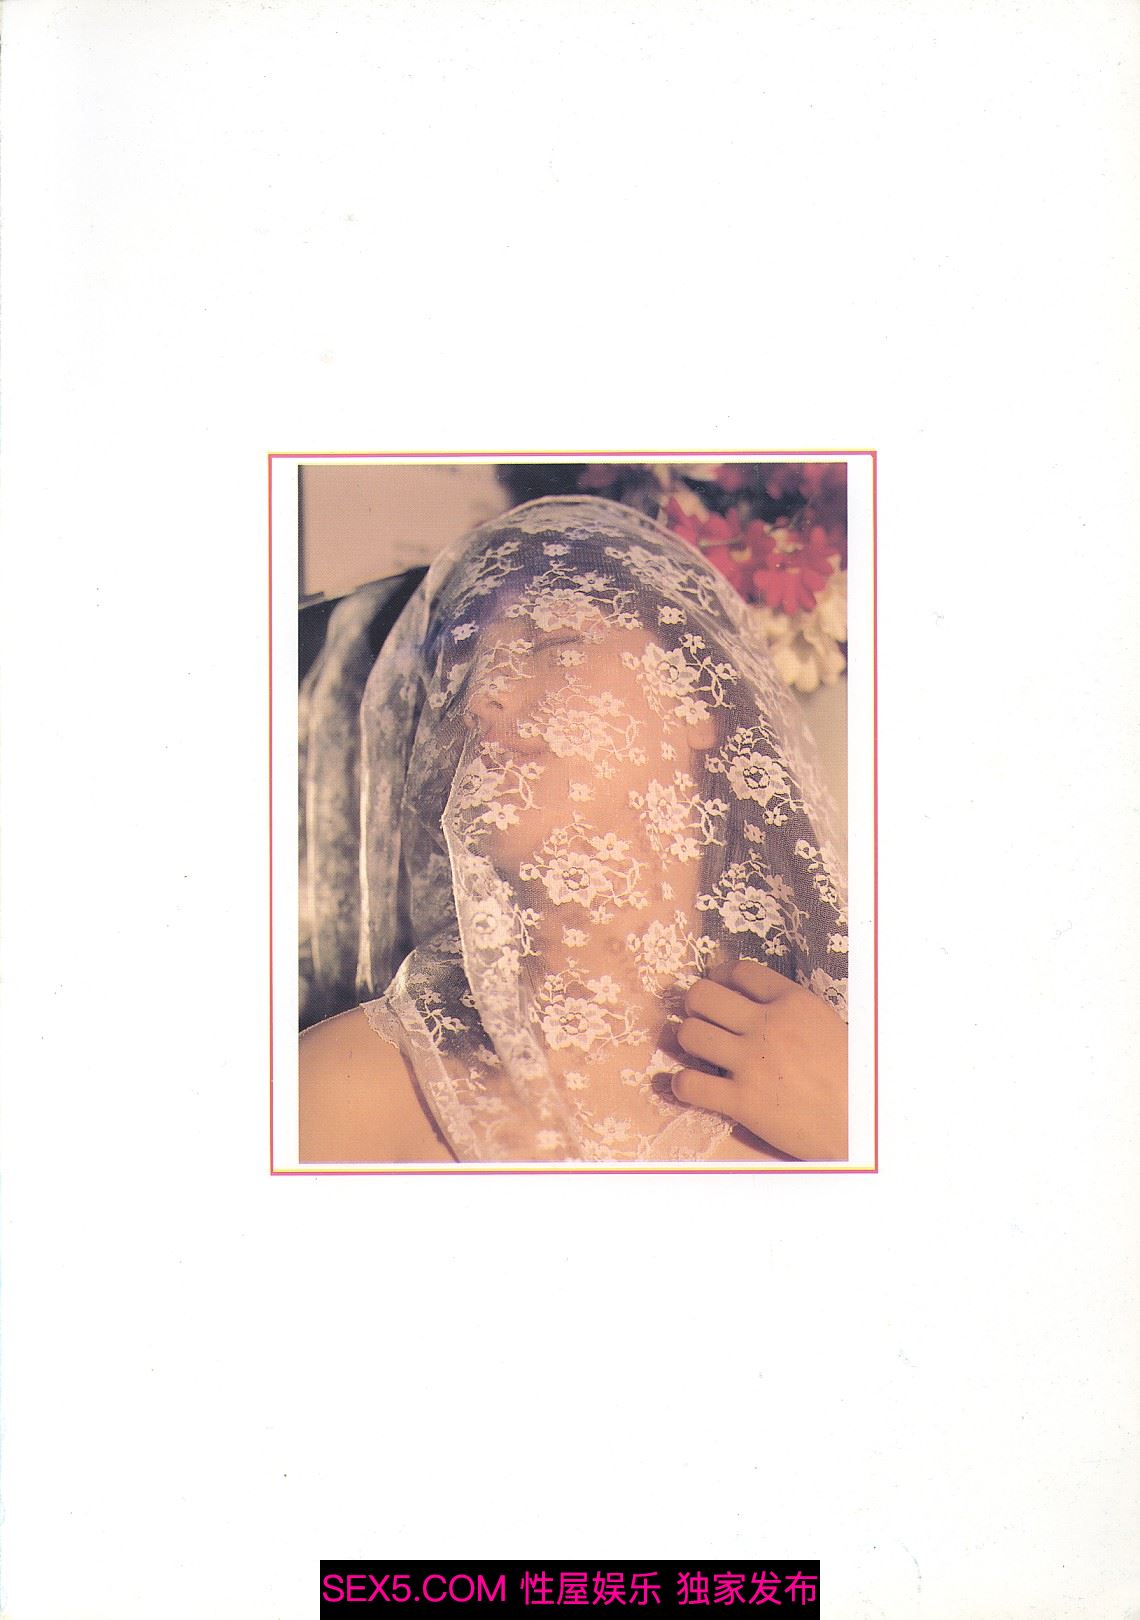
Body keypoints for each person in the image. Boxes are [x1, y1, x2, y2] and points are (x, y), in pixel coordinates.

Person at [300, 496, 848, 1165]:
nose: (483, 698)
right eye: (462, 674)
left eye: (552, 643)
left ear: (698, 698)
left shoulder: (860, 1080)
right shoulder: (339, 1095)